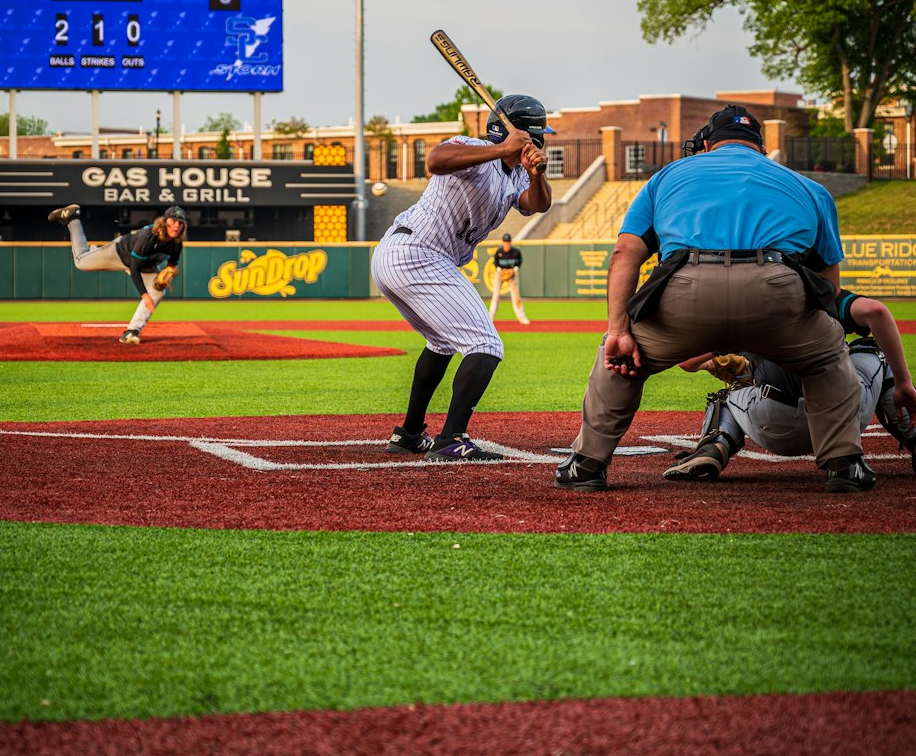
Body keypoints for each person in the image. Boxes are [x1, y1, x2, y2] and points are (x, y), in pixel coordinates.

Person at [555, 103, 872, 494]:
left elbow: (625, 253)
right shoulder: (808, 186)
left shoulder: (668, 175)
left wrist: (618, 330)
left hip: (685, 289)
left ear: (707, 143)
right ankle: (845, 465)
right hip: (775, 289)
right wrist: (806, 339)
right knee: (828, 357)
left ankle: (587, 464)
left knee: (622, 358)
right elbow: (830, 288)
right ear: (758, 146)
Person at [371, 94, 553, 461]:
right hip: (417, 252)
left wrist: (537, 175)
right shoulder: (474, 148)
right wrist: (500, 147)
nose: (540, 141)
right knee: (486, 345)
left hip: (413, 256)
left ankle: (409, 433)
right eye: (536, 135)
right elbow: (435, 160)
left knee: (440, 344)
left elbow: (539, 204)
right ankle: (451, 438)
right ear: (517, 134)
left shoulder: (516, 173)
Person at [663, 290, 916, 481]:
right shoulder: (822, 291)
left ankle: (714, 447)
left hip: (775, 426)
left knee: (732, 393)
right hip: (843, 418)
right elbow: (877, 312)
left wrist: (727, 341)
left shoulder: (750, 307)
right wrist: (904, 384)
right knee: (872, 350)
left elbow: (686, 362)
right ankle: (909, 437)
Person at [48, 203, 187, 344]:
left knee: (157, 292)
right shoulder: (149, 237)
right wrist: (145, 295)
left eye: (180, 223)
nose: (176, 226)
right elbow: (134, 268)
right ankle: (73, 218)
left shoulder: (176, 243)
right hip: (119, 254)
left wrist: (171, 272)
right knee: (80, 263)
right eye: (173, 221)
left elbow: (172, 265)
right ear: (165, 221)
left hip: (145, 266)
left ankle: (131, 332)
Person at [488, 233, 530, 324]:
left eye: (508, 242)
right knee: (495, 296)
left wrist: (515, 268)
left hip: (511, 275)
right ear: (503, 243)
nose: (506, 244)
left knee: (516, 296)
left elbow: (519, 262)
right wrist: (499, 270)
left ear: (511, 243)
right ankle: (490, 317)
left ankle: (521, 317)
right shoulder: (499, 252)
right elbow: (495, 262)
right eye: (505, 242)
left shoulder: (516, 252)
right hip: (500, 275)